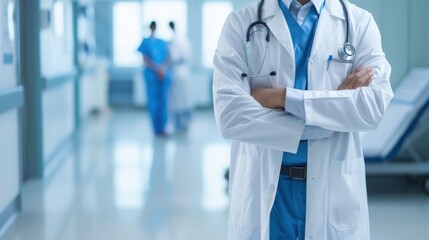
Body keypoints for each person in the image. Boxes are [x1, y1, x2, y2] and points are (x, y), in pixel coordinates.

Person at [212, 0, 393, 239]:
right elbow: (230, 115)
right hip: (267, 189)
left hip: (332, 188)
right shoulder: (239, 24)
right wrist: (332, 111)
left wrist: (283, 97)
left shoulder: (359, 23)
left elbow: (373, 107)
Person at [138, 21, 171, 136]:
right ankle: (156, 129)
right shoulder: (145, 42)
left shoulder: (162, 42)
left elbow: (167, 57)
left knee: (163, 102)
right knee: (153, 102)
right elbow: (145, 59)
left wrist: (163, 69)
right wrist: (158, 69)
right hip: (152, 76)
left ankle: (162, 128)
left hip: (162, 75)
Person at [167, 21, 193, 133]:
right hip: (185, 71)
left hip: (177, 71)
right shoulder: (184, 39)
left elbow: (173, 57)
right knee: (185, 98)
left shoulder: (174, 41)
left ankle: (179, 124)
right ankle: (186, 122)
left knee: (176, 99)